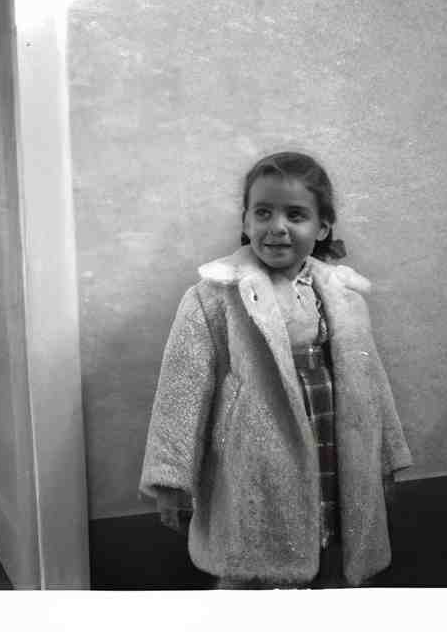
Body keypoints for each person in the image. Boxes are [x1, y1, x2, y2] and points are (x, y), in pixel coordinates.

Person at [139, 151, 413, 589]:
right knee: (254, 576)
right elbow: (181, 391)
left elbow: (370, 382)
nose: (277, 226)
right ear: (246, 221)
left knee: (334, 564)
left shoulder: (344, 297)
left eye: (296, 215)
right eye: (263, 212)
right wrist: (170, 477)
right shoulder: (214, 298)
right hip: (256, 467)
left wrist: (386, 458)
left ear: (322, 227)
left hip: (335, 456)